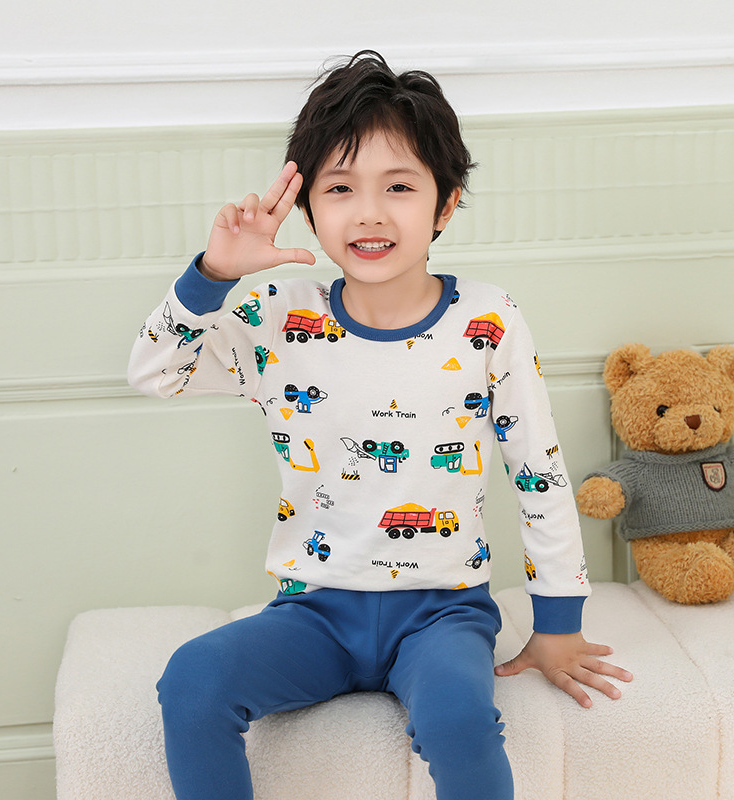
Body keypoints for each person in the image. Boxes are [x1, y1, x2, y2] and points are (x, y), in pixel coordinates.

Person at [128, 50, 632, 800]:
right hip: (313, 612)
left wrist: (559, 623)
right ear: (309, 210)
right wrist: (214, 274)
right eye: (340, 188)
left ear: (445, 203)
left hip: (443, 614)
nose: (369, 212)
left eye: (399, 186)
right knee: (192, 680)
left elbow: (539, 473)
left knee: (460, 721)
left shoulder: (488, 320)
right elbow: (155, 372)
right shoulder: (277, 318)